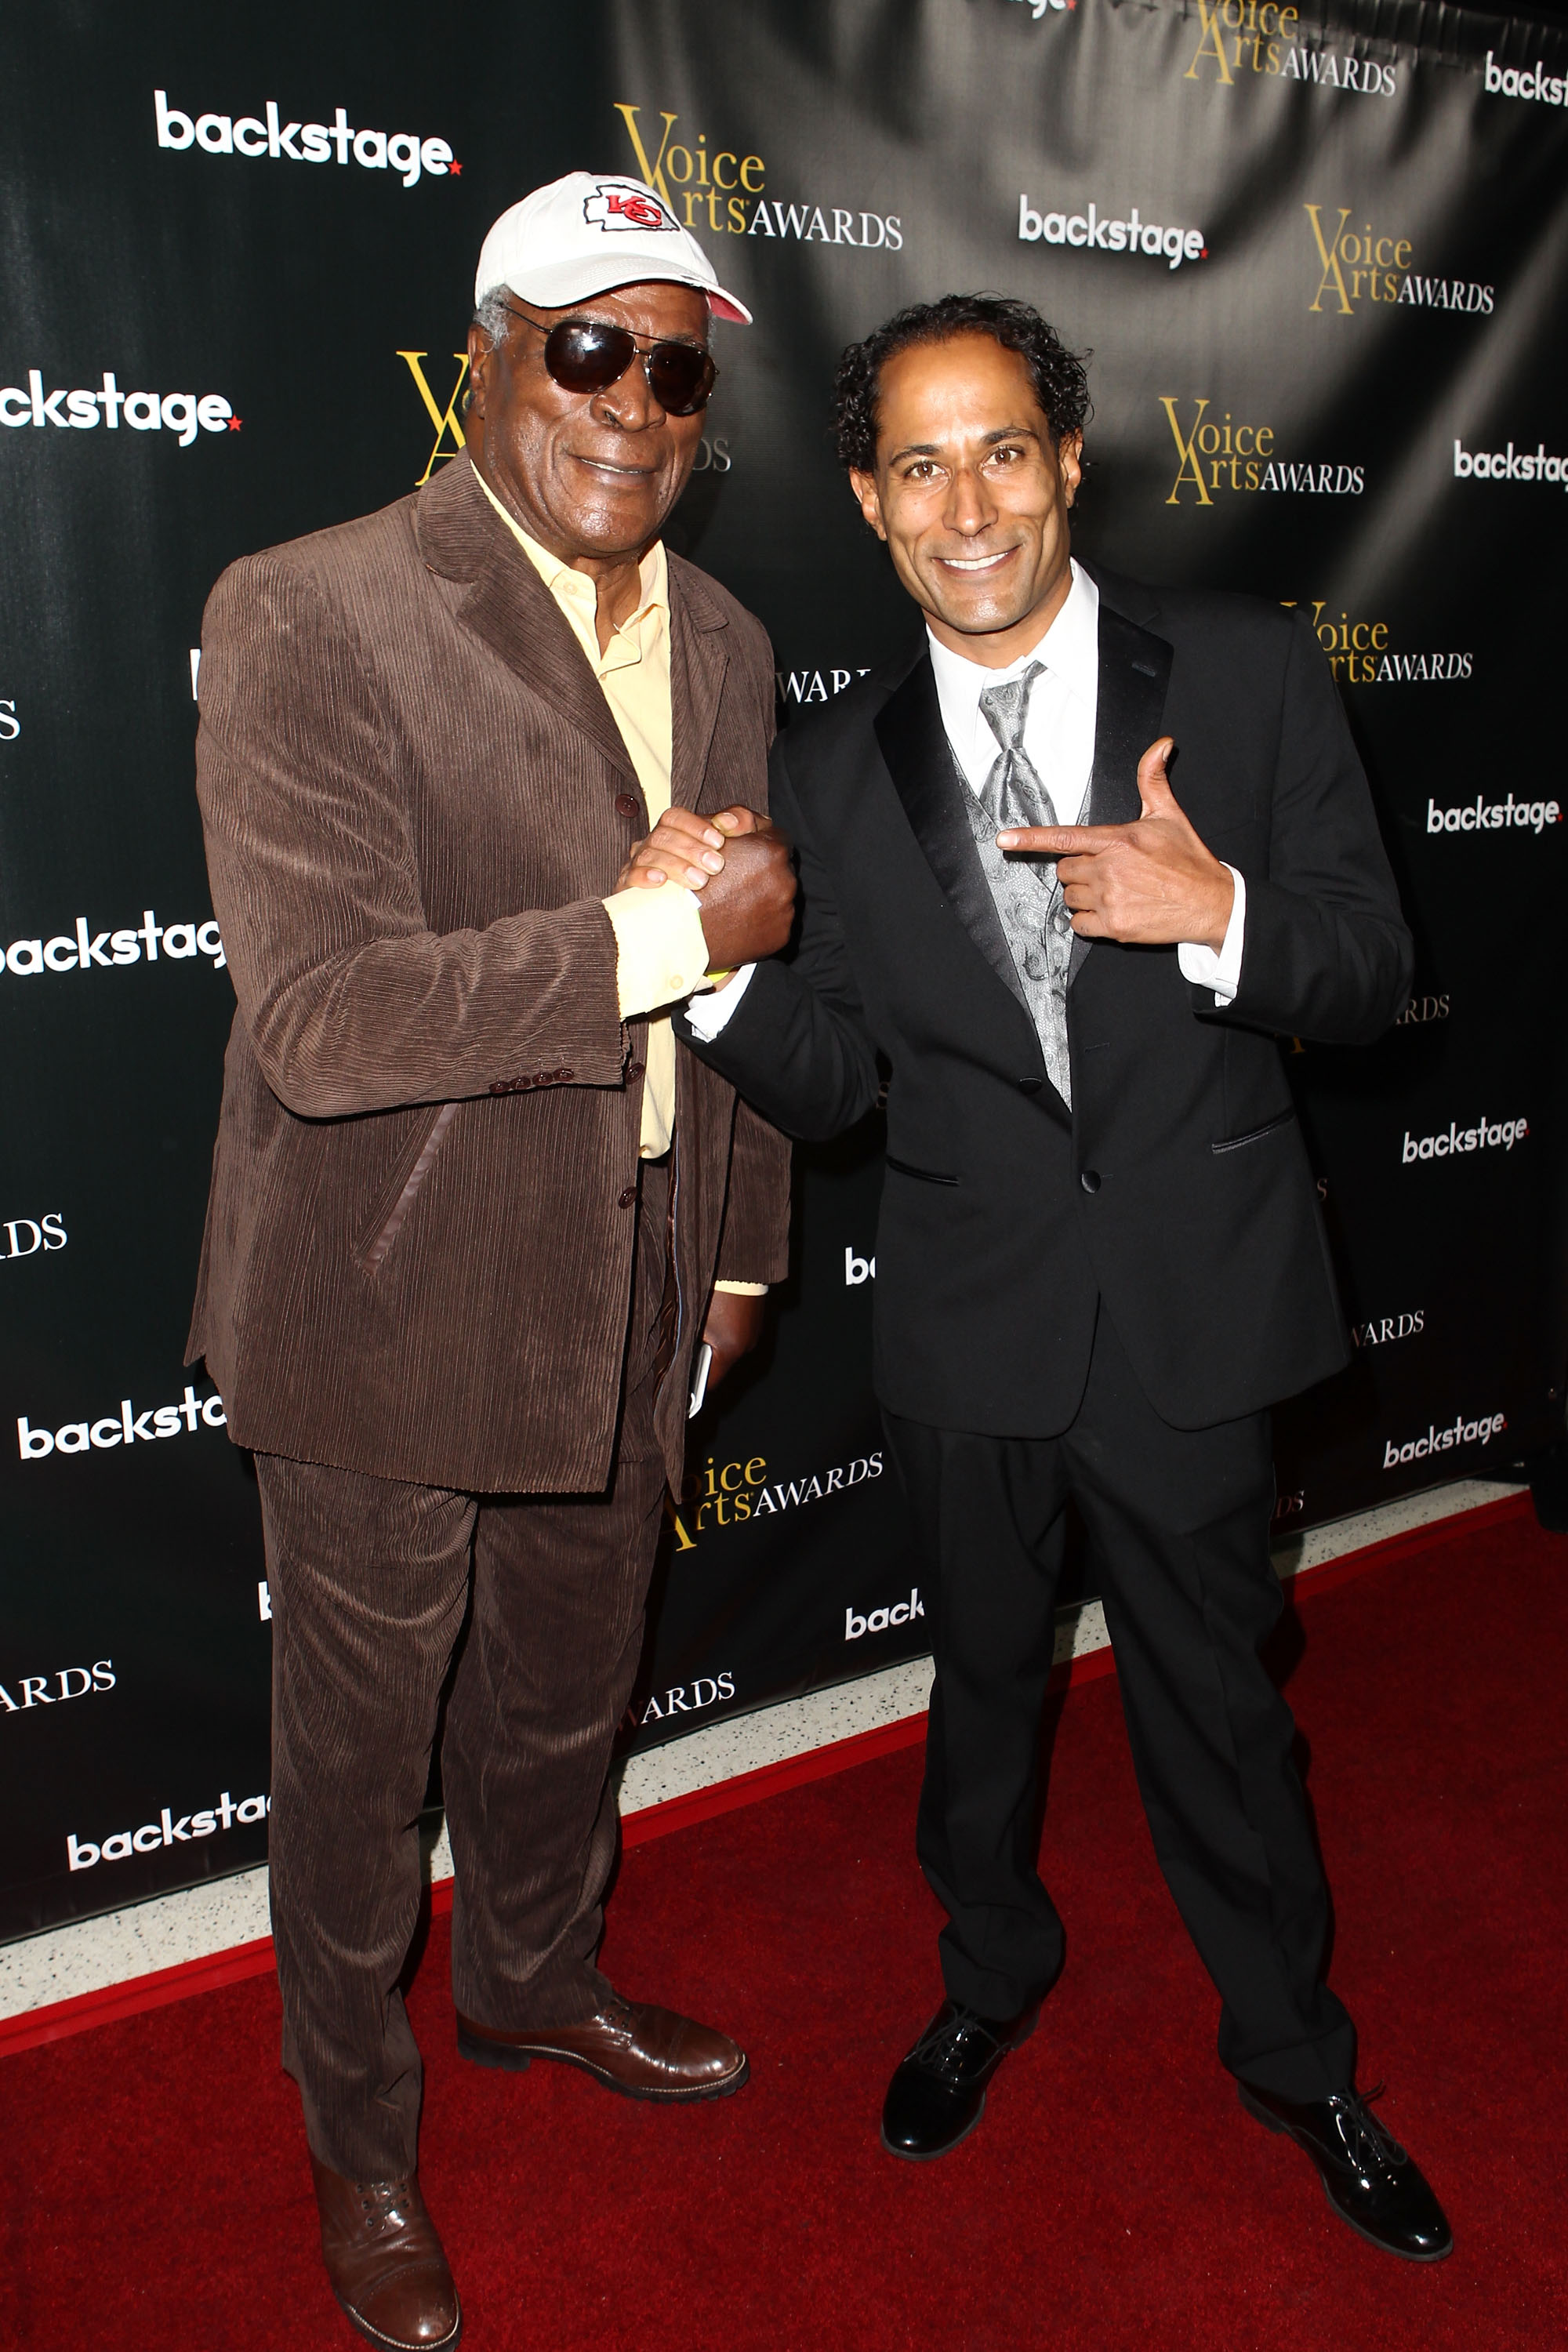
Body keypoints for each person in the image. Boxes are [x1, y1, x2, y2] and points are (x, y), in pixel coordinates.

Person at [641, 294, 1451, 2260]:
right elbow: (839, 1078)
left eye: (1002, 446)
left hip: (1188, 1301)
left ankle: (1299, 2061)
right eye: (919, 463)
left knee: (1218, 1708)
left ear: (1069, 457)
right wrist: (720, 964)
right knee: (983, 1686)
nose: (969, 501)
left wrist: (1220, 913)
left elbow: (1369, 967)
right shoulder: (828, 766)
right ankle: (987, 1977)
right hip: (967, 1318)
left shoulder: (1247, 677)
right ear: (867, 498)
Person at [187, 172, 797, 2350]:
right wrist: (651, 930)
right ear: (486, 359)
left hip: (633, 1282)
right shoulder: (309, 606)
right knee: (359, 1767)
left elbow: (729, 1013)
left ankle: (535, 1985)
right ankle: (361, 2141)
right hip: (385, 1301)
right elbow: (327, 1021)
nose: (639, 405)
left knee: (563, 1702)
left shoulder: (719, 638)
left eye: (682, 368)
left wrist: (732, 1252)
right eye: (592, 348)